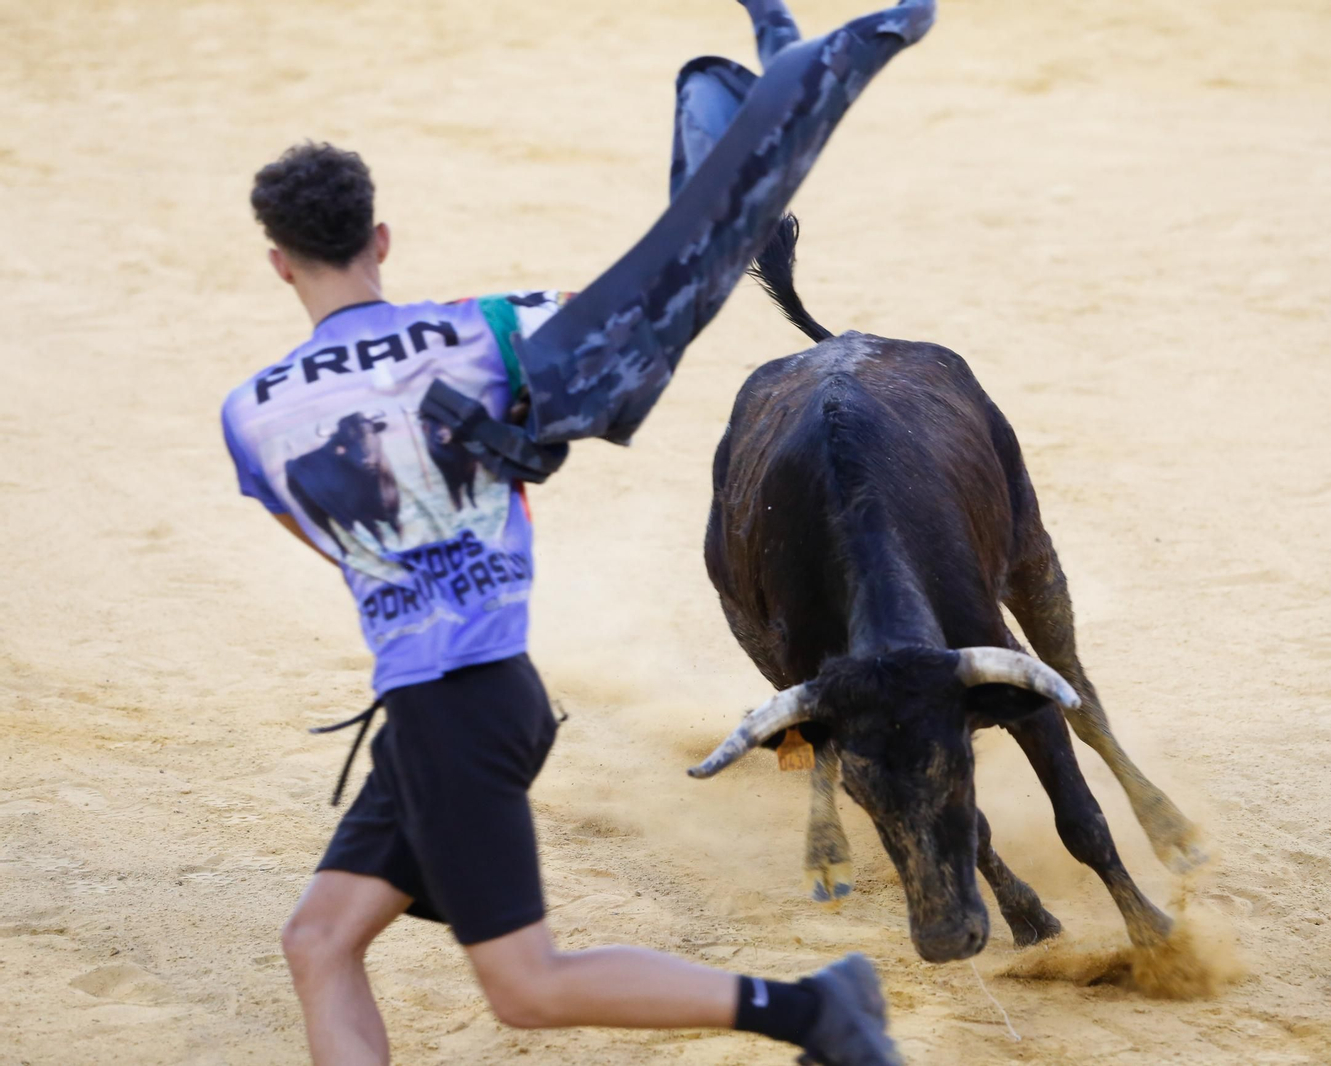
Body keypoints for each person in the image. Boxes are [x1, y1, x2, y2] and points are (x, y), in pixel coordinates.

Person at [219, 2, 935, 1064]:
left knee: (525, 985)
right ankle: (814, 1008)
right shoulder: (488, 328)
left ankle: (813, 1011)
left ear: (279, 261)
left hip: (446, 703)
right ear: (379, 238)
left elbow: (339, 543)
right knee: (319, 937)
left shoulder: (252, 410)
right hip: (477, 695)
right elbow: (655, 296)